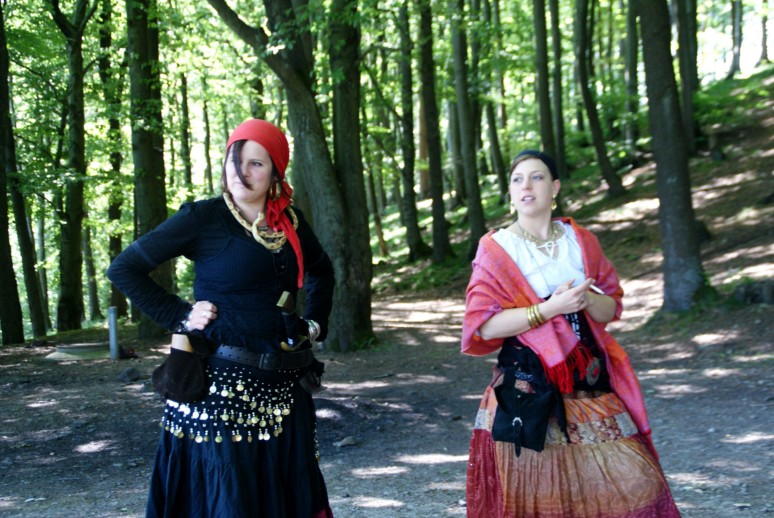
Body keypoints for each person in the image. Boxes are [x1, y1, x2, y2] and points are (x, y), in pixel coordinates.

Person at [108, 119, 335, 517]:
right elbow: (124, 269)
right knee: (232, 499)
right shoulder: (203, 218)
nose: (241, 173)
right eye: (235, 160)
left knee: (288, 497)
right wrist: (181, 315)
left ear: (276, 172)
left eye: (256, 164)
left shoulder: (292, 223)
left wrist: (314, 323)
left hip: (287, 389)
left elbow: (321, 271)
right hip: (220, 391)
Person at [461, 150, 680, 517]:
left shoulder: (581, 240)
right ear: (510, 193)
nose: (527, 186)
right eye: (517, 180)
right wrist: (550, 309)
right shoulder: (497, 249)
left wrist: (586, 300)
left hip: (588, 381)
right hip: (527, 385)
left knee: (637, 481)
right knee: (538, 498)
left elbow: (611, 307)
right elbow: (483, 326)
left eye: (537, 177)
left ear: (555, 187)